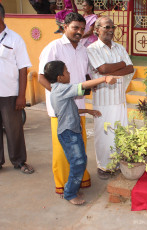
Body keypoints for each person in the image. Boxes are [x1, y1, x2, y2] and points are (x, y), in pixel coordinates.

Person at [43, 60, 118, 205]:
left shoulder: (59, 89)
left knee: (80, 160)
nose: (69, 73)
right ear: (59, 77)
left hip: (72, 131)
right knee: (78, 163)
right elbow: (82, 86)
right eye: (66, 71)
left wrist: (87, 111)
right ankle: (70, 193)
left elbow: (69, 110)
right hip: (69, 133)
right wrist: (104, 78)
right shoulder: (60, 89)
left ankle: (72, 188)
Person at [38, 12, 91, 195]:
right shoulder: (54, 48)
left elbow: (83, 77)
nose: (79, 32)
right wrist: (60, 97)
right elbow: (41, 78)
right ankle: (63, 185)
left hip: (79, 108)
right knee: (63, 151)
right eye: (75, 27)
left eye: (82, 29)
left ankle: (80, 179)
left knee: (80, 148)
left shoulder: (83, 49)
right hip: (61, 111)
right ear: (65, 26)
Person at [87, 16, 134, 180]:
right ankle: (104, 166)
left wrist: (109, 72)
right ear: (97, 30)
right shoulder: (92, 49)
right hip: (103, 100)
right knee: (104, 133)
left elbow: (130, 68)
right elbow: (102, 68)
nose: (110, 30)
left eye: (112, 27)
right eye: (106, 27)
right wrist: (119, 65)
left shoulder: (119, 48)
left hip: (119, 98)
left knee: (120, 132)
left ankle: (118, 163)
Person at [0, 3, 34, 174]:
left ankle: (20, 161)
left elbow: (23, 68)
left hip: (9, 94)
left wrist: (22, 96)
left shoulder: (15, 39)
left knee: (14, 129)